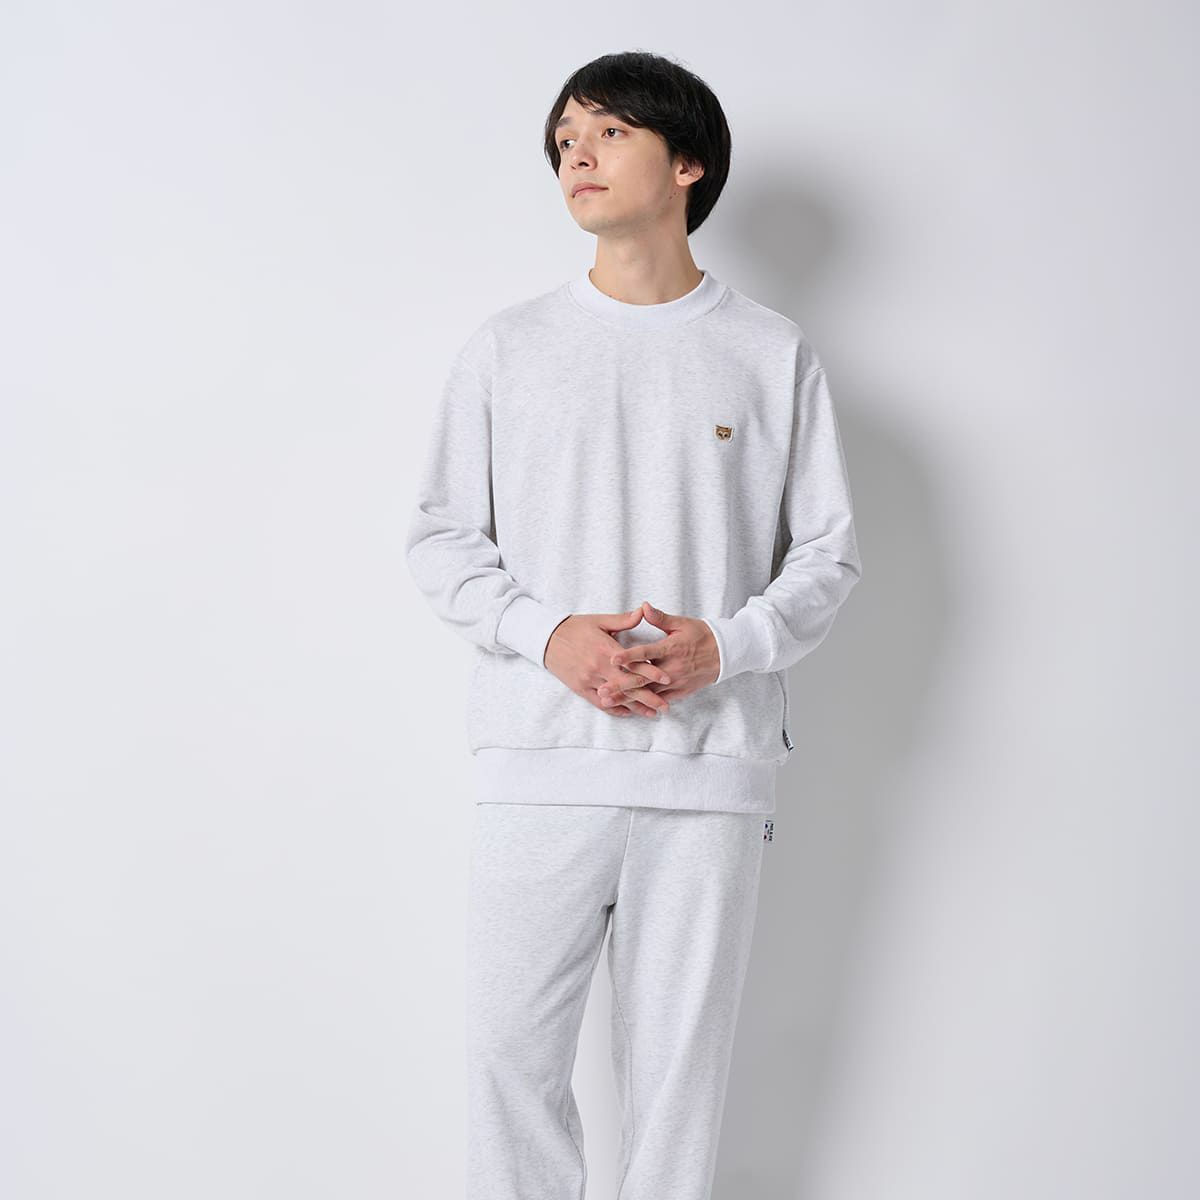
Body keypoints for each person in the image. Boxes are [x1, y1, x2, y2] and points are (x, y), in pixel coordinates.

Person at [405, 49, 862, 1200]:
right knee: (509, 1070)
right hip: (538, 760)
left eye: (608, 132)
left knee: (677, 1090)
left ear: (687, 161)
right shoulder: (508, 347)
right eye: (565, 141)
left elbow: (828, 556)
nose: (578, 155)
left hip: (707, 774)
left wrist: (729, 644)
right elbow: (441, 537)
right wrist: (547, 634)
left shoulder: (770, 353)